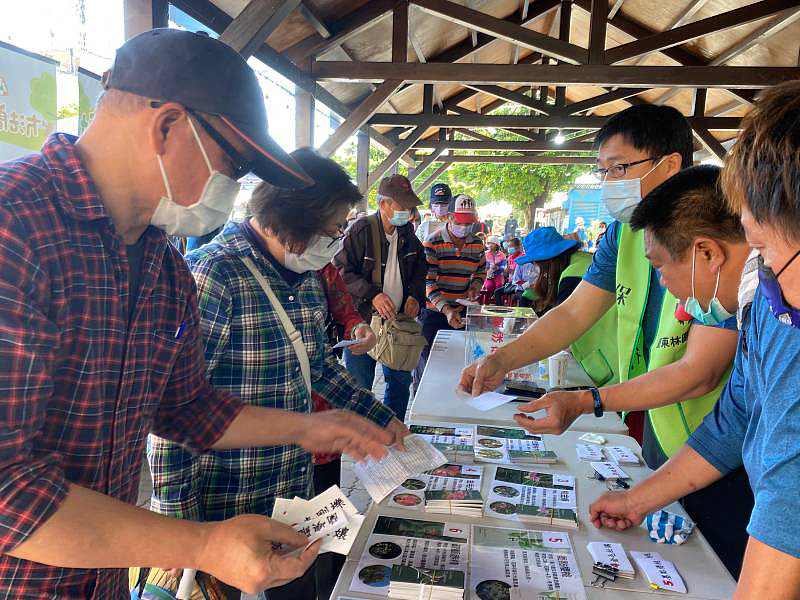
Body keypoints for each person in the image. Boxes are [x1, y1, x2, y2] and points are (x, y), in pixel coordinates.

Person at [0, 29, 395, 599]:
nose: (232, 187)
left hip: (102, 579)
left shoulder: (164, 268)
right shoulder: (17, 229)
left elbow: (187, 409)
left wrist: (308, 427)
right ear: (167, 126)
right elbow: (7, 489)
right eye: (231, 163)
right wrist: (200, 546)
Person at [459, 105, 742, 573]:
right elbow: (573, 312)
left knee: (714, 565)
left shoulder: (718, 246)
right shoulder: (623, 234)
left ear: (669, 165)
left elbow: (699, 373)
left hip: (717, 445)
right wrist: (502, 360)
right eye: (603, 169)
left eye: (619, 167)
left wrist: (585, 401)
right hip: (658, 428)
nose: (609, 180)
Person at [149, 149, 408, 600]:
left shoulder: (303, 273)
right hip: (221, 504)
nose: (336, 240)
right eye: (331, 229)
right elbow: (169, 414)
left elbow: (322, 368)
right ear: (292, 219)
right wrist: (180, 529)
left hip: (291, 490)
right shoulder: (213, 276)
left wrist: (381, 417)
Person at [586, 99, 800, 590]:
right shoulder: (767, 304)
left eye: (762, 250)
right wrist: (637, 500)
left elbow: (789, 498)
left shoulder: (789, 318)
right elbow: (734, 417)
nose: (761, 274)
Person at [335, 174, 428, 422]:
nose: (406, 212)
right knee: (360, 386)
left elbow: (421, 269)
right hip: (362, 322)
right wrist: (372, 294)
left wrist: (415, 296)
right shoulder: (360, 231)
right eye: (401, 206)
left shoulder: (409, 234)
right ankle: (364, 441)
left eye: (409, 207)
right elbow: (341, 272)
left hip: (397, 324)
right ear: (383, 204)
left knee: (399, 383)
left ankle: (392, 435)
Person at [514, 227, 620, 386]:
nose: (536, 269)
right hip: (609, 357)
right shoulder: (581, 261)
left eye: (536, 263)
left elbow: (560, 330)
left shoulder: (574, 276)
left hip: (609, 363)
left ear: (548, 261)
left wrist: (514, 355)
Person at [417, 194, 486, 385]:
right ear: (449, 217)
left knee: (456, 368)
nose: (464, 227)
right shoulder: (432, 242)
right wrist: (446, 310)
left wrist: (474, 287)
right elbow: (428, 283)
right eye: (459, 221)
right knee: (427, 366)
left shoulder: (477, 245)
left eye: (468, 223)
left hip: (461, 312)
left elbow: (481, 271)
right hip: (433, 313)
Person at [492, 237, 523, 305]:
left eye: (511, 246)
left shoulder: (522, 257)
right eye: (508, 246)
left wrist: (514, 271)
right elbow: (506, 274)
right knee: (497, 292)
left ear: (517, 247)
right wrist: (505, 271)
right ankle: (499, 311)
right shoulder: (509, 258)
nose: (509, 248)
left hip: (519, 284)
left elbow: (523, 273)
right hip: (510, 283)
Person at [481, 235, 507, 301]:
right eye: (489, 243)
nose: (490, 245)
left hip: (499, 275)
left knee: (499, 286)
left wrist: (498, 268)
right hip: (488, 275)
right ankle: (486, 302)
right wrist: (487, 268)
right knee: (489, 287)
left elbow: (504, 266)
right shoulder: (485, 254)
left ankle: (498, 302)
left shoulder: (502, 255)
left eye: (492, 243)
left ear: (496, 244)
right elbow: (482, 265)